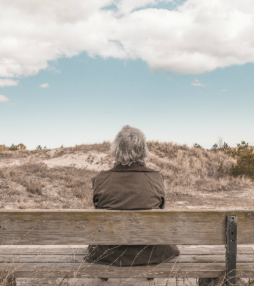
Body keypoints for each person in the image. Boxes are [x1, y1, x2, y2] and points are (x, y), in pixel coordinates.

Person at [85, 125, 179, 270]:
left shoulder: (100, 179)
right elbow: (160, 210)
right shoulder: (156, 178)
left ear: (116, 150)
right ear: (143, 150)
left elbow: (99, 212)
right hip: (151, 254)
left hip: (109, 254)